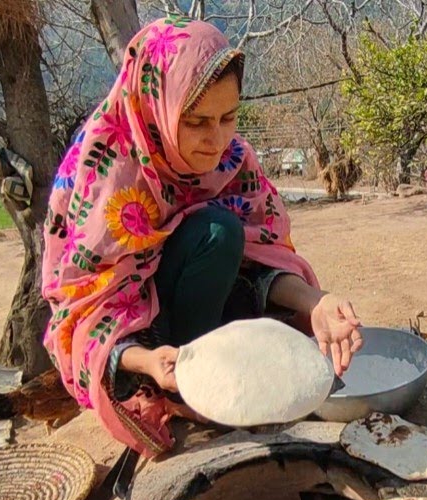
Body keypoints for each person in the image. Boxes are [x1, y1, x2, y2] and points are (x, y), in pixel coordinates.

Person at [41, 16, 363, 458]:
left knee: (221, 231)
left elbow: (258, 262)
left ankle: (215, 374)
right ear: (159, 106)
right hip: (145, 345)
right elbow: (83, 311)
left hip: (206, 314)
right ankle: (184, 388)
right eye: (196, 122)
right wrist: (147, 362)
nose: (216, 140)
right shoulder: (106, 172)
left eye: (229, 117)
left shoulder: (233, 163)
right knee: (217, 229)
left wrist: (315, 302)